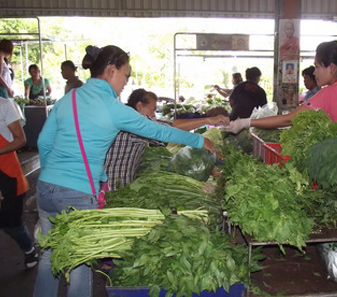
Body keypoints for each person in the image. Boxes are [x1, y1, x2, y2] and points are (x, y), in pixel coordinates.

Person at [34, 45, 214, 297]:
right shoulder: (112, 106)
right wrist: (198, 140)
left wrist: (56, 175)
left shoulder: (67, 99)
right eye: (126, 76)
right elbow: (157, 130)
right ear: (110, 70)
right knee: (80, 263)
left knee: (49, 254)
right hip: (76, 193)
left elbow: (44, 142)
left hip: (45, 188)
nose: (126, 83)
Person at [223, 40, 337, 133]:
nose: (315, 73)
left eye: (317, 66)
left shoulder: (330, 92)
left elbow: (288, 120)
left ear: (331, 68)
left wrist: (246, 122)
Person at [105, 88, 229, 190]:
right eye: (153, 109)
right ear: (139, 106)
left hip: (114, 184)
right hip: (111, 187)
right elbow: (168, 128)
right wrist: (204, 129)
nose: (154, 114)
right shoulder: (131, 124)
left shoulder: (123, 119)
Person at [0, 97, 38, 269]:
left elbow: (20, 140)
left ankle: (29, 249)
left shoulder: (5, 105)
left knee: (11, 223)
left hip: (7, 175)